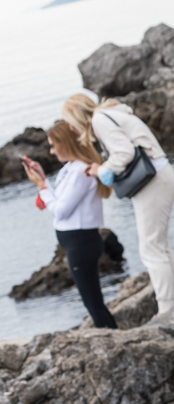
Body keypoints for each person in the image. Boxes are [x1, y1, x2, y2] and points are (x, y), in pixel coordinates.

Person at [62, 94, 174, 315]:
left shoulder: (99, 120)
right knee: (160, 244)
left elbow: (124, 153)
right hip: (159, 175)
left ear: (77, 116)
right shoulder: (109, 113)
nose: (71, 128)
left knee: (150, 248)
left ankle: (168, 308)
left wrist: (100, 170)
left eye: (70, 122)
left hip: (152, 181)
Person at [21, 122, 118, 328]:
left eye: (54, 145)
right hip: (76, 241)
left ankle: (113, 339)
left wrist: (41, 187)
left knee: (93, 302)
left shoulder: (79, 172)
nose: (51, 151)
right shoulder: (70, 168)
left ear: (65, 144)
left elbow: (60, 210)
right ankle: (112, 336)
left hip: (81, 241)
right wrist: (43, 180)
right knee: (92, 301)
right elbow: (58, 200)